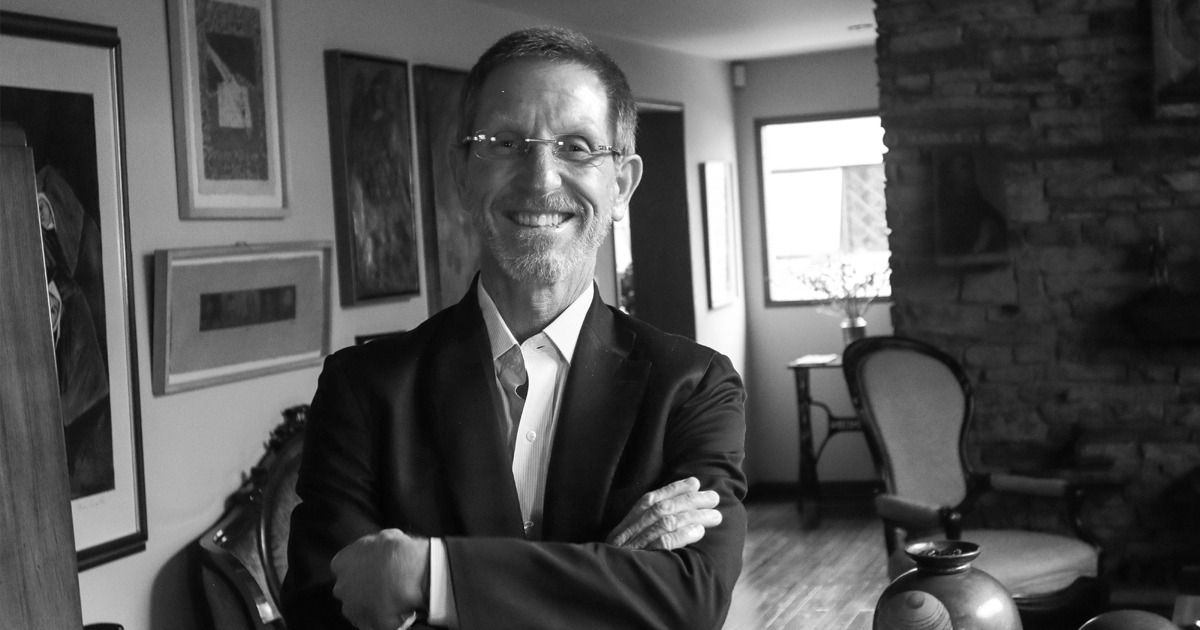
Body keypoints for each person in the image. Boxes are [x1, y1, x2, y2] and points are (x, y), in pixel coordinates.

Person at [281, 27, 747, 630]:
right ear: (462, 174)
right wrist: (610, 570)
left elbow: (692, 599)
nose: (541, 179)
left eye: (576, 146)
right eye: (505, 143)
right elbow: (326, 609)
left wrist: (427, 575)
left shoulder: (693, 386)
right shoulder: (364, 388)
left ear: (621, 185)